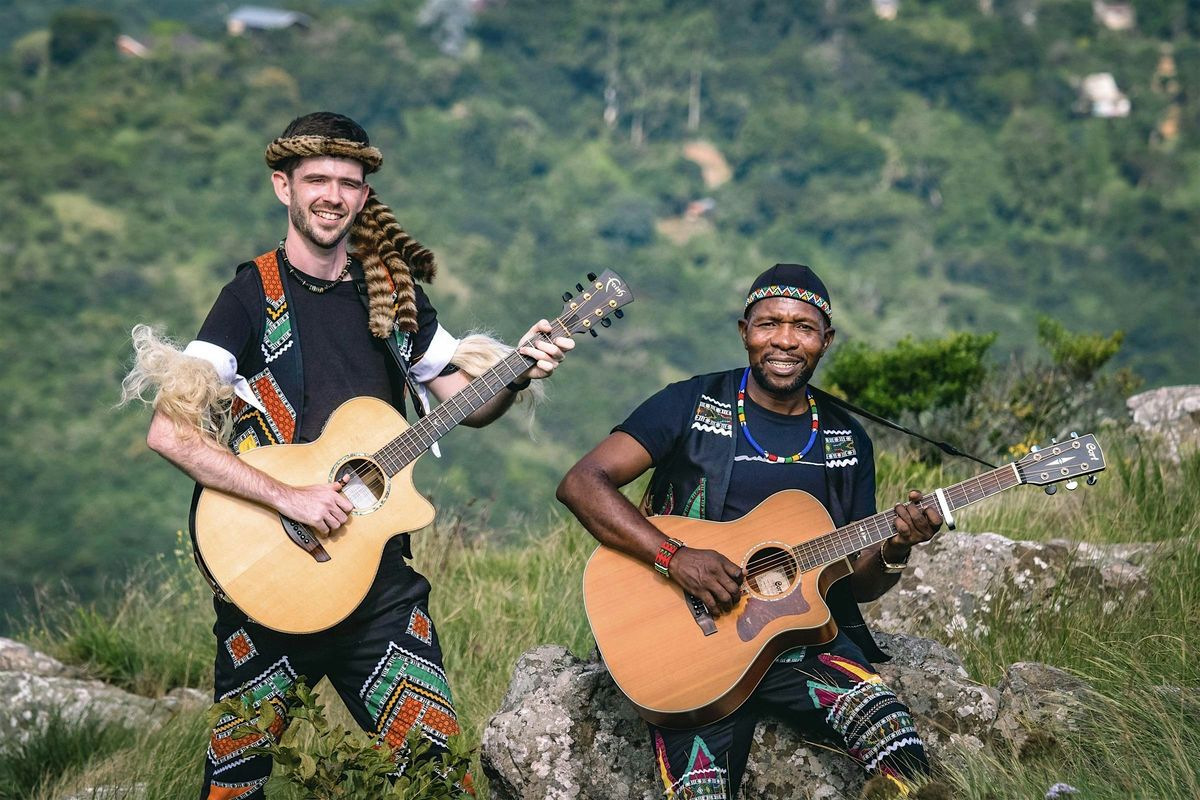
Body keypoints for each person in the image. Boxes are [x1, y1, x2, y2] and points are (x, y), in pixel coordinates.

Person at [124, 111, 573, 798]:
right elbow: (170, 433)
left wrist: (516, 371)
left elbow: (468, 404)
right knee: (234, 787)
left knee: (437, 779)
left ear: (365, 196)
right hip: (268, 589)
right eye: (317, 180)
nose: (333, 195)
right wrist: (290, 496)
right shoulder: (251, 297)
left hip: (379, 593)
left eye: (348, 182)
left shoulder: (391, 293)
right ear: (284, 187)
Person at [557, 263, 942, 799]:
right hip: (684, 641)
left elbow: (855, 582)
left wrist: (897, 545)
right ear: (744, 331)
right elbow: (582, 483)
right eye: (769, 324)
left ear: (825, 341)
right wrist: (675, 557)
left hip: (798, 644)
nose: (784, 340)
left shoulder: (845, 439)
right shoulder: (689, 405)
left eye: (803, 328)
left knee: (896, 741)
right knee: (701, 790)